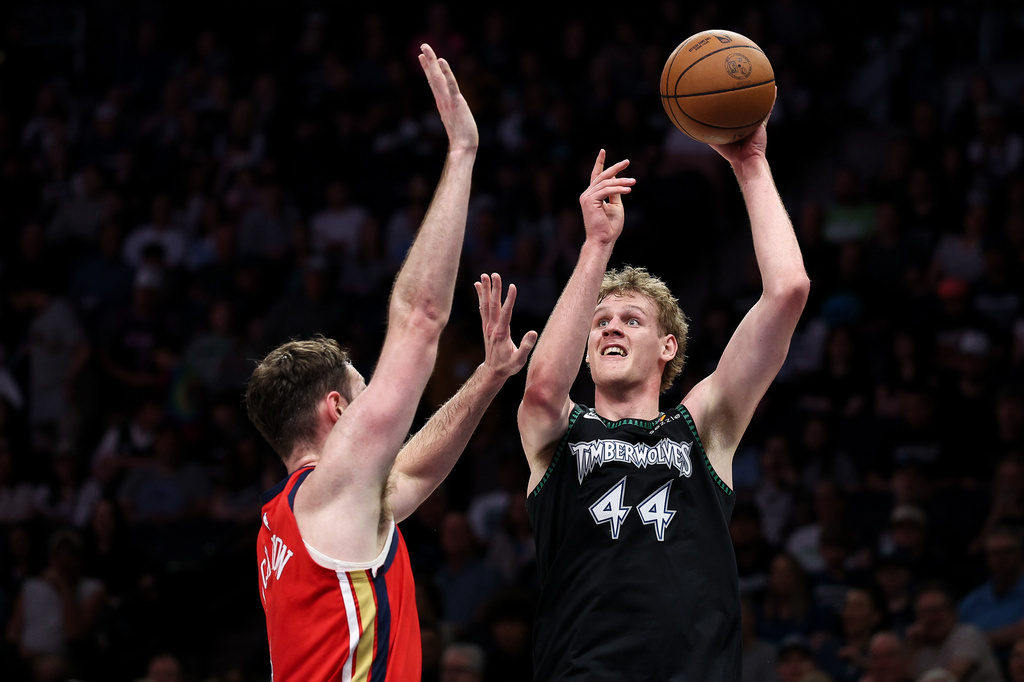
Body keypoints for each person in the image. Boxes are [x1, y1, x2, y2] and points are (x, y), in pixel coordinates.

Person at [246, 45, 537, 681]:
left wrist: (488, 378)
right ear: (338, 410)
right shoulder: (334, 491)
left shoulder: (298, 518)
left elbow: (411, 475)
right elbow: (418, 321)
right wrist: (462, 152)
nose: (379, 395)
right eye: (363, 386)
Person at [518, 112, 810, 679]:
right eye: (600, 321)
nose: (610, 328)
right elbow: (541, 387)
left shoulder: (702, 429)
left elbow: (789, 291)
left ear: (667, 346)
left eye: (631, 319)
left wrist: (751, 166)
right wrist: (596, 245)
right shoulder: (560, 431)